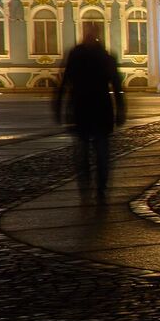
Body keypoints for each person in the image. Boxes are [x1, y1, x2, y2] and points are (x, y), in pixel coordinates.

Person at [53, 22, 125, 204]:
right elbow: (116, 85)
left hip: (82, 108)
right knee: (99, 151)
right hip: (98, 109)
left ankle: (89, 186)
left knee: (86, 151)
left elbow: (64, 82)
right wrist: (121, 109)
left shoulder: (78, 55)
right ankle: (99, 187)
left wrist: (58, 106)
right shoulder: (105, 57)